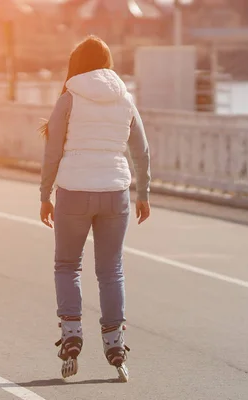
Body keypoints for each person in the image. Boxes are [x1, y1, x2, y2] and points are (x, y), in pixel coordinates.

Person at [38, 35, 151, 382]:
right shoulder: (125, 99)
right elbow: (142, 151)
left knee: (67, 265)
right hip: (115, 191)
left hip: (74, 190)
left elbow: (53, 151)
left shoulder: (69, 98)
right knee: (110, 270)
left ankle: (71, 336)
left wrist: (45, 194)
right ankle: (115, 343)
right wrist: (143, 192)